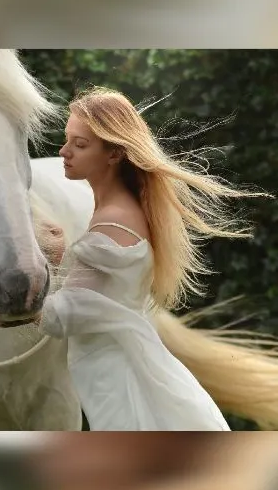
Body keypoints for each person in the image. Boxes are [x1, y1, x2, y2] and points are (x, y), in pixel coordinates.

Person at [36, 87, 274, 431]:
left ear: (114, 153)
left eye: (80, 144)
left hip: (119, 381)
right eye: (67, 139)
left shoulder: (110, 222)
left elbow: (60, 318)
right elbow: (99, 300)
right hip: (117, 369)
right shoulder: (119, 210)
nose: (64, 152)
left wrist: (19, 301)